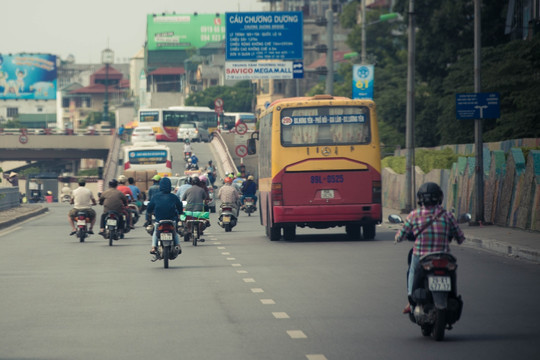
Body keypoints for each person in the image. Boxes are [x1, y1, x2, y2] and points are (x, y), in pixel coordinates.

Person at [394, 182, 465, 314]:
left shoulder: (414, 215)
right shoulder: (448, 215)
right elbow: (460, 238)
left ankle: (410, 300)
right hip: (444, 256)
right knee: (452, 271)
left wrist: (397, 238)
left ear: (420, 199)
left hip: (421, 256)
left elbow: (402, 234)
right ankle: (452, 295)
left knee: (413, 269)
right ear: (439, 197)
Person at [145, 177, 183, 255]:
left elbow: (149, 208)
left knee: (156, 231)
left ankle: (153, 247)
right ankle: (178, 245)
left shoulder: (155, 197)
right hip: (171, 220)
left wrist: (149, 212)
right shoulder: (173, 197)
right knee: (174, 232)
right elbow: (179, 206)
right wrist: (180, 213)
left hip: (159, 220)